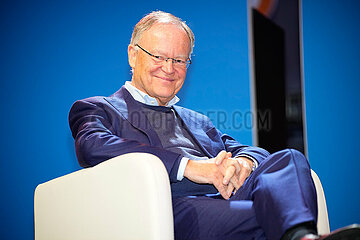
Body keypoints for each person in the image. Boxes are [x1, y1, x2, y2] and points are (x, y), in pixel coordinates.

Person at [69, 11, 360, 240]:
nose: (169, 68)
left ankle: (301, 236)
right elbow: (93, 146)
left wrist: (242, 163)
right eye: (158, 56)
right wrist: (191, 167)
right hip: (170, 208)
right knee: (271, 215)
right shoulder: (98, 108)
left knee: (289, 158)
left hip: (226, 196)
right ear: (133, 54)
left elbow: (251, 151)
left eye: (180, 60)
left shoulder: (199, 121)